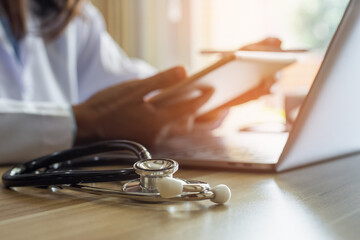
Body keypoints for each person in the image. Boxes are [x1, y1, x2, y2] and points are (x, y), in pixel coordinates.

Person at [0, 0, 281, 163]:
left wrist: (203, 97)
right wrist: (84, 123)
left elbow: (125, 94)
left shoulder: (72, 15)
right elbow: (100, 116)